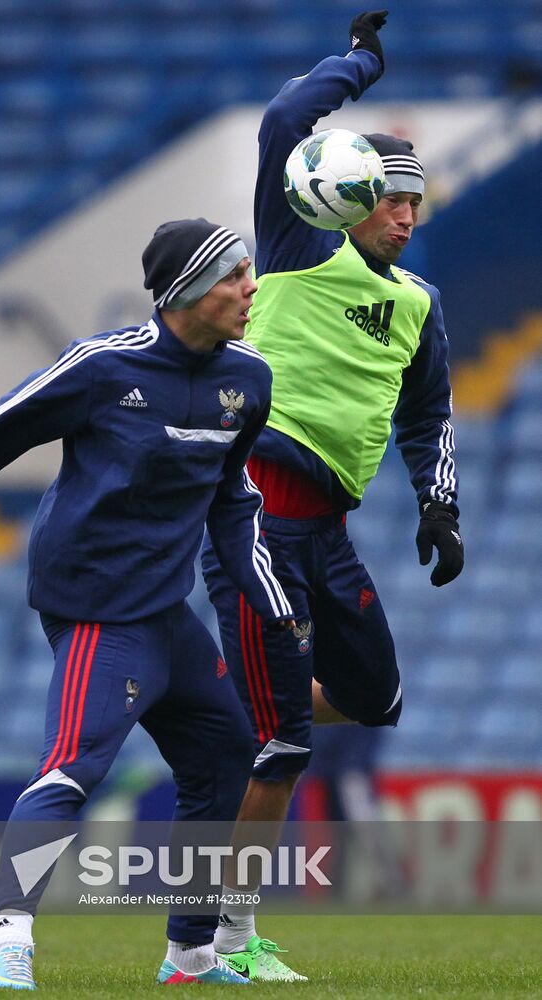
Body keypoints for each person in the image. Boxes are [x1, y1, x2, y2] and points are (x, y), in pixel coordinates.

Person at [0, 217, 296, 989]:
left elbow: (233, 495)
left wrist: (266, 593)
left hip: (165, 609)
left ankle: (191, 954)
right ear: (187, 289)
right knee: (73, 768)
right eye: (232, 275)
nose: (249, 287)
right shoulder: (100, 368)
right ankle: (10, 940)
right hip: (98, 608)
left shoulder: (249, 379)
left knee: (227, 756)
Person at [201, 10, 464, 981]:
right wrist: (355, 66)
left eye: (413, 200)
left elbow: (427, 414)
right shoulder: (300, 253)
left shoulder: (418, 304)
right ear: (347, 197)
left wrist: (439, 505)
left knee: (375, 699)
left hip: (332, 536)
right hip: (257, 518)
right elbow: (281, 122)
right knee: (288, 747)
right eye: (388, 197)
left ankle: (226, 705)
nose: (403, 212)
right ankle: (227, 940)